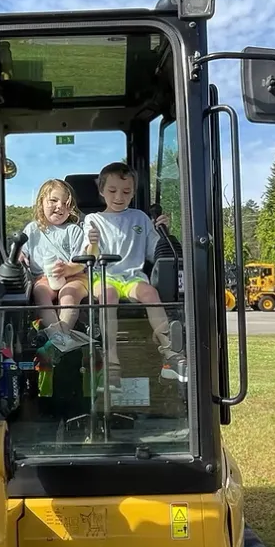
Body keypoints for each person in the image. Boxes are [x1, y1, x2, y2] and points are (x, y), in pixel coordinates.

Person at [83, 162, 186, 388]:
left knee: (149, 292)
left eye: (126, 192)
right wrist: (92, 244)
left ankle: (169, 348)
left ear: (132, 193)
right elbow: (89, 258)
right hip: (104, 275)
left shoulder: (139, 218)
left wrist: (163, 229)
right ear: (101, 191)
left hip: (133, 277)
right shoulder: (93, 220)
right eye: (112, 191)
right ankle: (111, 359)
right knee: (108, 295)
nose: (119, 196)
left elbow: (154, 252)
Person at [23, 179, 88, 354]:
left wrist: (69, 268)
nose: (59, 206)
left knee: (68, 295)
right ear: (41, 203)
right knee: (40, 292)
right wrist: (21, 257)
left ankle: (63, 335)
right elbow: (23, 252)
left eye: (65, 203)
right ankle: (56, 335)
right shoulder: (32, 230)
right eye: (53, 201)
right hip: (44, 276)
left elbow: (81, 261)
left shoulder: (73, 230)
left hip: (74, 276)